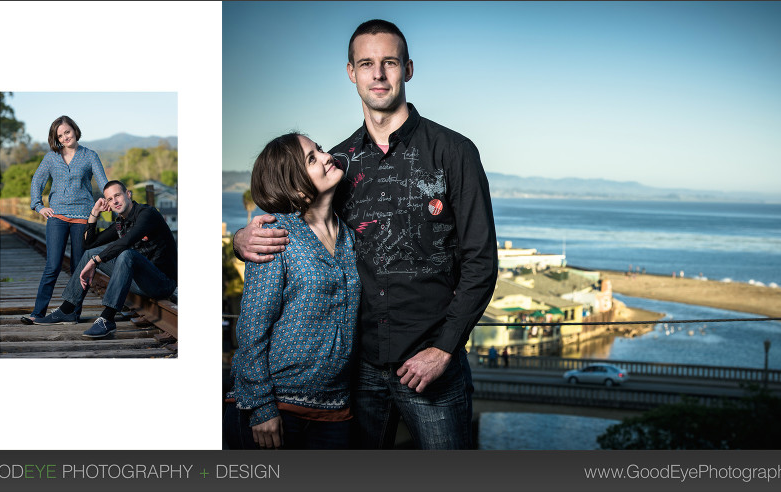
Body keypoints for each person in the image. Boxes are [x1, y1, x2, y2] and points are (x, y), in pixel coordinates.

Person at [234, 19, 498, 449]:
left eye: (389, 62)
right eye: (367, 63)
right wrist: (240, 242)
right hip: (356, 371)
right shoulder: (337, 164)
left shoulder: (454, 152)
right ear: (351, 73)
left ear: (407, 69)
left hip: (431, 362)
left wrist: (445, 349)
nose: (378, 74)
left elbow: (481, 262)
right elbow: (294, 223)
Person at [223, 133, 360, 450]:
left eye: (320, 150)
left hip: (335, 410)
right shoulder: (275, 235)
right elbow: (253, 327)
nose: (327, 156)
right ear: (297, 187)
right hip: (276, 410)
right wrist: (261, 407)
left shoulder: (351, 239)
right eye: (312, 158)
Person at [31, 181, 177, 339]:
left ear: (128, 194)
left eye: (117, 195)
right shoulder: (121, 222)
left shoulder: (147, 214)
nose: (114, 201)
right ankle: (67, 310)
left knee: (126, 254)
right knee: (91, 253)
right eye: (109, 199)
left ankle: (107, 319)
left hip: (162, 283)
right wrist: (94, 212)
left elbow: (126, 242)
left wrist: (96, 262)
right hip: (140, 282)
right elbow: (88, 243)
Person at [22, 116, 108, 324]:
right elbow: (37, 181)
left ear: (75, 130)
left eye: (67, 132)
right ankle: (38, 312)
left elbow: (104, 182)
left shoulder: (90, 156)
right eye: (59, 135)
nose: (64, 137)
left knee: (80, 267)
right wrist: (39, 206)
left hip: (83, 218)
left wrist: (113, 197)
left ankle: (73, 312)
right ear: (55, 138)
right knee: (52, 265)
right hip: (57, 217)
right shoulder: (51, 157)